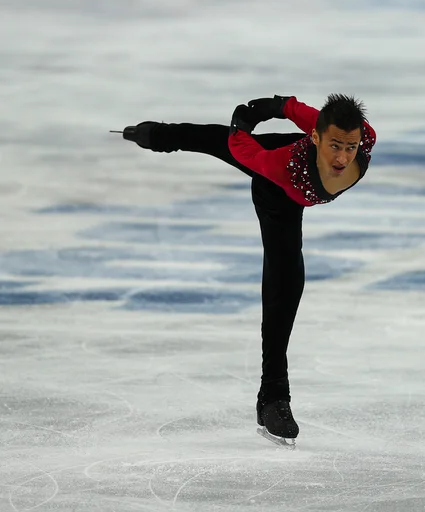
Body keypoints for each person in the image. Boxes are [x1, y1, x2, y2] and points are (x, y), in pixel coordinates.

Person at [120, 94, 376, 447]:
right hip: (279, 190)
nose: (343, 157)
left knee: (227, 142)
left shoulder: (362, 142)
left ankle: (161, 135)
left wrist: (281, 105)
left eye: (350, 147)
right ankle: (273, 398)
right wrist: (243, 123)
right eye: (335, 146)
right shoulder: (279, 166)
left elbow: (310, 117)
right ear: (318, 139)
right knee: (285, 287)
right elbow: (241, 151)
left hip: (298, 157)